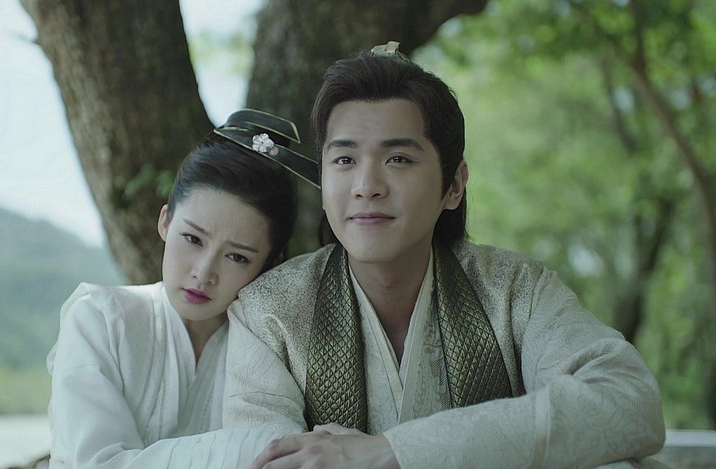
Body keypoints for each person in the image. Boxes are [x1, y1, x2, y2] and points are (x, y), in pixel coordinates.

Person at [223, 42, 666, 468]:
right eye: (344, 161)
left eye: (398, 159)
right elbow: (267, 460)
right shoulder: (269, 312)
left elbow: (628, 400)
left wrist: (394, 453)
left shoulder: (514, 290)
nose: (367, 186)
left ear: (453, 186)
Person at [46, 109, 319, 468]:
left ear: (270, 263)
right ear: (165, 221)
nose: (203, 272)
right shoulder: (100, 319)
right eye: (192, 238)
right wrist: (251, 446)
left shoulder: (273, 348)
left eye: (236, 257)